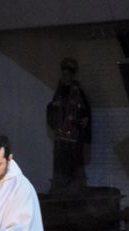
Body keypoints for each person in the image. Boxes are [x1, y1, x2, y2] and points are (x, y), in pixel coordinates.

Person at [46, 57, 91, 192]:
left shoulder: (78, 92)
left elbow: (85, 112)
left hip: (74, 138)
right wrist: (52, 107)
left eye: (68, 74)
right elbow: (53, 109)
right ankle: (60, 189)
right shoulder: (59, 92)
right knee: (61, 165)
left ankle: (75, 189)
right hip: (61, 138)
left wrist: (84, 120)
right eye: (64, 74)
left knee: (74, 165)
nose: (66, 77)